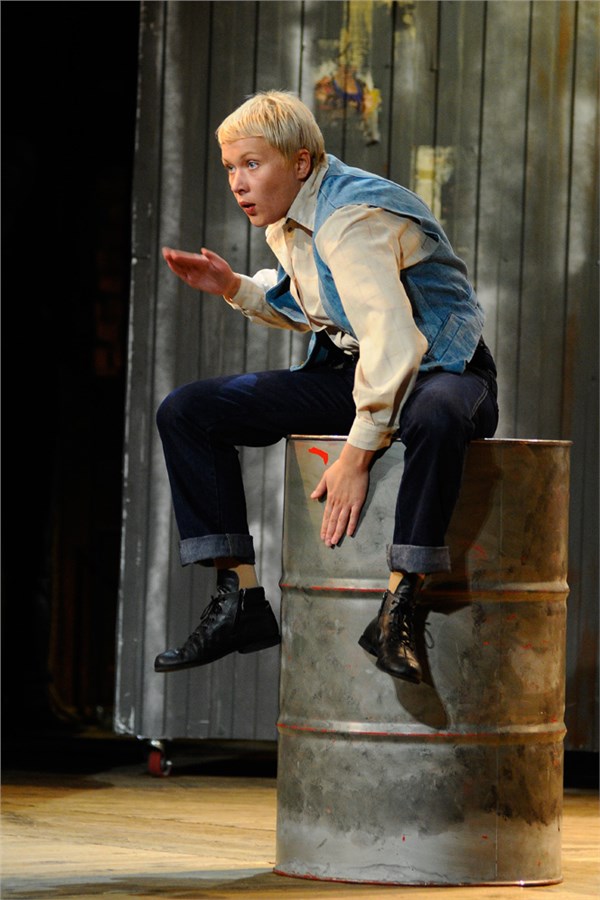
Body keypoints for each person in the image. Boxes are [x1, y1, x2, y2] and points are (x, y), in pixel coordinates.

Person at [153, 90, 498, 685]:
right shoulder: (294, 217)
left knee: (436, 415)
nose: (238, 183)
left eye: (252, 164)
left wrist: (357, 458)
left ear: (301, 162)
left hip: (448, 369)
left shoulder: (349, 220)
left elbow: (396, 343)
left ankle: (400, 607)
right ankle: (240, 598)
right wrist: (234, 286)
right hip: (362, 369)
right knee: (189, 411)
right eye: (230, 167)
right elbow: (323, 305)